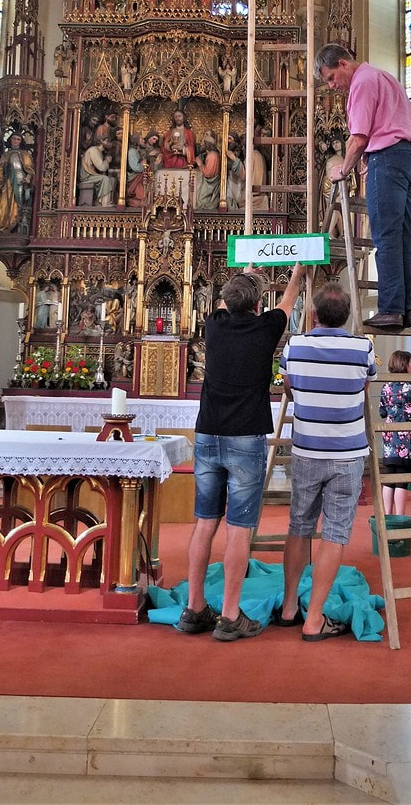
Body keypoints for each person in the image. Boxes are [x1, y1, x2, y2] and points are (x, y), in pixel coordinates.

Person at [177, 261, 305, 641]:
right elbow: (288, 300)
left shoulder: (214, 324)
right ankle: (230, 615)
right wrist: (297, 273)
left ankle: (194, 608)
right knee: (239, 527)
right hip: (245, 437)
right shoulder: (266, 327)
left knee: (205, 522)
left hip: (208, 433)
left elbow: (225, 301)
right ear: (258, 304)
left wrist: (245, 274)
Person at [277, 284, 376, 640]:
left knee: (299, 526)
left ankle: (289, 606)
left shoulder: (295, 345)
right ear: (347, 316)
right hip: (348, 453)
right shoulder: (363, 348)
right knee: (335, 533)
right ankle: (314, 618)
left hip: (307, 449)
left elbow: (288, 387)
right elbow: (363, 388)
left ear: (314, 314)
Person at [316, 43, 411, 331]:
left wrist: (343, 170)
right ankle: (410, 309)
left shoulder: (361, 82)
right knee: (405, 236)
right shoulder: (384, 77)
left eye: (331, 78)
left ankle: (390, 309)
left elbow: (359, 138)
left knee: (386, 236)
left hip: (389, 159)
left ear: (343, 64)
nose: (332, 86)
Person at [379, 350, 411, 517]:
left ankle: (386, 515)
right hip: (404, 436)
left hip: (389, 434)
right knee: (402, 477)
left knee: (389, 476)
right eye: (410, 363)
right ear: (404, 364)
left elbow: (382, 412)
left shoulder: (386, 385)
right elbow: (409, 414)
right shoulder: (407, 386)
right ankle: (400, 516)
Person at [0, 133, 35, 233]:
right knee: (4, 204)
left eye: (18, 139)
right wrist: (2, 165)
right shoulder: (5, 155)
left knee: (18, 205)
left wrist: (28, 178)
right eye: (14, 139)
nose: (16, 141)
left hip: (20, 181)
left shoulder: (25, 154)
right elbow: (0, 172)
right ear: (10, 140)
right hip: (8, 182)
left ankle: (15, 226)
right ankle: (3, 227)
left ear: (21, 142)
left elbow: (30, 170)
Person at [78, 136, 116, 206]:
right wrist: (107, 161)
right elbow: (102, 168)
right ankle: (105, 202)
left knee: (113, 180)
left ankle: (108, 201)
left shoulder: (99, 152)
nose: (109, 144)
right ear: (101, 141)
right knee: (106, 179)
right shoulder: (94, 150)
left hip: (93, 175)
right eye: (107, 141)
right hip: (87, 176)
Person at [194, 130, 221, 210]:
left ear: (207, 144)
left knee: (202, 200)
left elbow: (208, 173)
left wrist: (200, 164)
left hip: (210, 185)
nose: (201, 144)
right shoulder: (209, 154)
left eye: (203, 143)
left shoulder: (212, 156)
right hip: (208, 183)